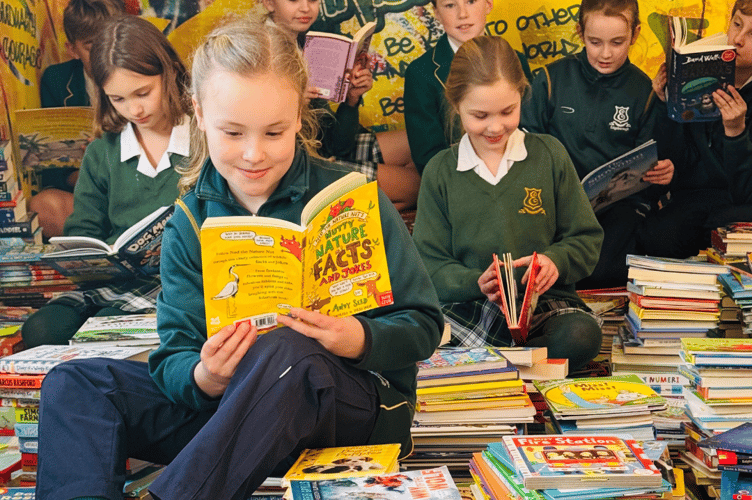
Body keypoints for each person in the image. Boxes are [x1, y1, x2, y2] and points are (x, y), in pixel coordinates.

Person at [36, 20, 443, 499]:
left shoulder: (353, 197)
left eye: (274, 132)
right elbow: (174, 355)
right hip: (232, 416)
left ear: (299, 119)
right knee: (76, 384)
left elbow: (424, 324)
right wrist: (204, 376)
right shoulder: (190, 219)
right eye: (232, 132)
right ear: (199, 115)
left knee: (289, 351)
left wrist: (357, 337)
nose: (254, 154)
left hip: (345, 411)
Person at [412, 35, 604, 372]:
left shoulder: (549, 154)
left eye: (508, 111)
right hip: (469, 307)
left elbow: (586, 239)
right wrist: (475, 281)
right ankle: (516, 365)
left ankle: (488, 366)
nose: (495, 126)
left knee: (580, 335)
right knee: (418, 338)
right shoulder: (440, 171)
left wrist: (555, 261)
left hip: (545, 305)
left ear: (521, 97)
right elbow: (429, 264)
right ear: (456, 106)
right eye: (480, 115)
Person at [21, 15, 191, 348]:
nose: (135, 109)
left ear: (168, 71)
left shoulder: (204, 139)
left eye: (143, 92)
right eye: (118, 99)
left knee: (104, 333)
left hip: (180, 282)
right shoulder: (103, 152)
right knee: (40, 330)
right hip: (116, 282)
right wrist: (85, 256)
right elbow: (82, 231)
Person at [519, 0, 674, 288]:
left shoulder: (645, 91)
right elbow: (524, 143)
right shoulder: (551, 79)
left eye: (617, 42)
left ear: (635, 34)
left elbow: (650, 167)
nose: (606, 53)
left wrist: (661, 173)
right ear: (579, 32)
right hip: (554, 203)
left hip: (615, 207)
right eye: (595, 42)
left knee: (602, 273)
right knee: (535, 261)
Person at [261, 0, 421, 211]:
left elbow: (338, 144)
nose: (305, 8)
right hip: (301, 166)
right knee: (417, 186)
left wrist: (351, 99)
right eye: (294, 0)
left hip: (325, 145)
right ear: (268, 3)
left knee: (418, 143)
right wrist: (292, 101)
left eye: (312, 0)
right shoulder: (260, 50)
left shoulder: (310, 41)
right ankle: (346, 214)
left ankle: (362, 205)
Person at [649, 0, 752, 256]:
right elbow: (677, 162)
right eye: (736, 24)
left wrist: (736, 132)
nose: (738, 39)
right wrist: (665, 104)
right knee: (655, 236)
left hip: (741, 202)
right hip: (694, 197)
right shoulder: (700, 70)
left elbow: (746, 193)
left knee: (726, 224)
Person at [403, 0, 532, 175]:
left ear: (488, 4)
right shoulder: (420, 74)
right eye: (450, 5)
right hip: (459, 184)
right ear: (437, 13)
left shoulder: (516, 60)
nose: (462, 14)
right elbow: (428, 159)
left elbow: (531, 128)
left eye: (471, 1)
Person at [32, 0, 126, 238]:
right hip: (87, 193)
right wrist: (89, 171)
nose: (106, 54)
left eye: (114, 40)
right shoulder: (57, 81)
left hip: (139, 188)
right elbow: (53, 173)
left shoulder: (142, 74)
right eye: (93, 46)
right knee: (43, 205)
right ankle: (105, 245)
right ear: (72, 50)